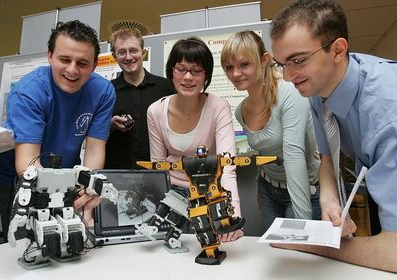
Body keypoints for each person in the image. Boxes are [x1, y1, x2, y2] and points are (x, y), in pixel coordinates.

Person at [269, 0, 397, 273]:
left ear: (338, 50)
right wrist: (329, 198)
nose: (288, 76)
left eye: (298, 60)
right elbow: (327, 156)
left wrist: (308, 242)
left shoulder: (388, 112)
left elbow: (394, 253)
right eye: (282, 64)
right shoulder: (318, 88)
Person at [0, 20, 116, 239]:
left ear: (94, 65)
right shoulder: (29, 92)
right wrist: (51, 204)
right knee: (26, 239)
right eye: (64, 59)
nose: (72, 70)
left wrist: (86, 193)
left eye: (82, 63)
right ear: (49, 56)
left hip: (63, 169)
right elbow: (28, 163)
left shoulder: (103, 91)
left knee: (70, 235)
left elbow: (94, 150)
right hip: (19, 177)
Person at [221, 31, 321, 232]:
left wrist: (303, 226)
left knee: (300, 255)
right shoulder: (241, 110)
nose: (235, 74)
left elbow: (294, 156)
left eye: (244, 64)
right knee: (275, 251)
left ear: (265, 60)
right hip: (268, 189)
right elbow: (266, 151)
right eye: (229, 67)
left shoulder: (290, 94)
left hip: (305, 189)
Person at [147, 37, 243, 242]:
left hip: (210, 192)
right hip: (173, 194)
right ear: (171, 71)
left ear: (206, 74)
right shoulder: (155, 111)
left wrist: (232, 214)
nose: (188, 77)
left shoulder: (219, 107)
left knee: (212, 247)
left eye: (196, 70)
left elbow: (227, 165)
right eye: (181, 69)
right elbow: (158, 167)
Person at [104, 28, 175, 169]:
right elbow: (94, 134)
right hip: (116, 174)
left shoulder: (166, 87)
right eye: (122, 52)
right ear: (114, 56)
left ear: (144, 52)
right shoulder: (106, 91)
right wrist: (110, 125)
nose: (128, 57)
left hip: (158, 172)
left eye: (133, 50)